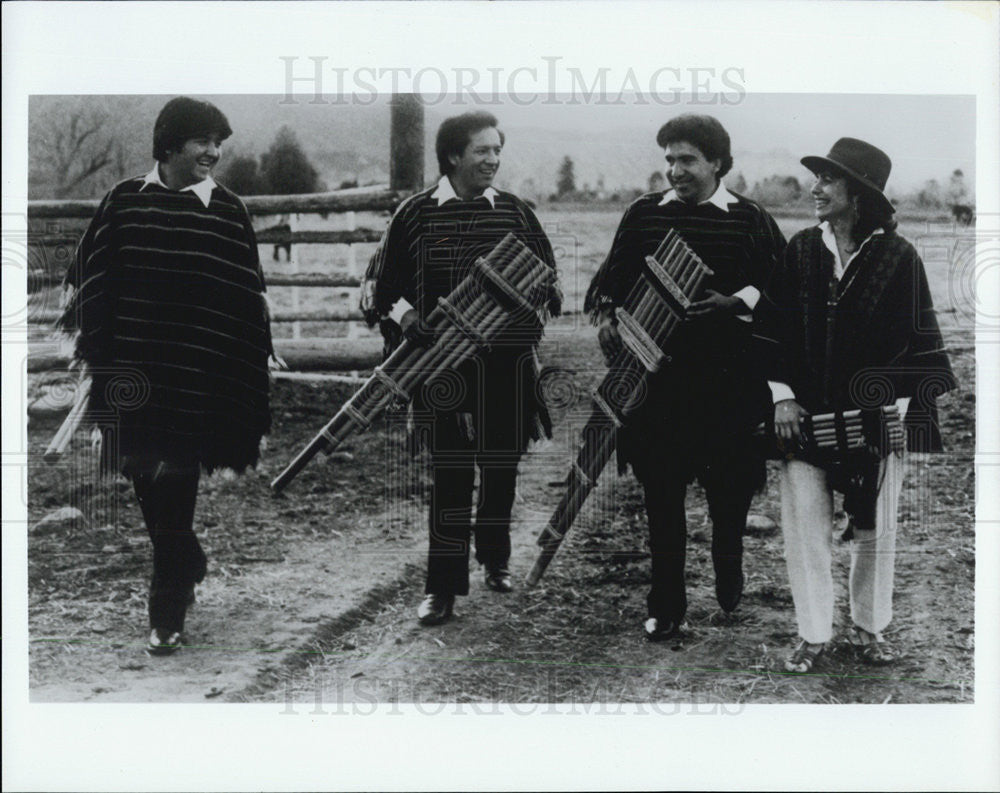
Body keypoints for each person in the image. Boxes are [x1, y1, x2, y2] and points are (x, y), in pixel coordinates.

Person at [57, 97, 273, 655]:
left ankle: (166, 611)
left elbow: (246, 297)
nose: (213, 152)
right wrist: (96, 349)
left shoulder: (227, 210)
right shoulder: (125, 200)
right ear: (170, 144)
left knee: (176, 483)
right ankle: (189, 559)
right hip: (131, 373)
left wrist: (244, 367)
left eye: (217, 141)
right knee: (143, 477)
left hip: (198, 376)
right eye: (202, 140)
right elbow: (92, 276)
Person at [753, 137, 956, 673]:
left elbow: (919, 342)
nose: (814, 188)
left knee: (877, 531)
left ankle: (870, 630)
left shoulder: (899, 257)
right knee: (804, 527)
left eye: (827, 180)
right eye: (817, 178)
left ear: (858, 193)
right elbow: (771, 331)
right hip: (804, 417)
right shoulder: (800, 251)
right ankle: (813, 635)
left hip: (879, 420)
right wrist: (783, 397)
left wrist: (896, 416)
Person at [585, 114, 785, 641]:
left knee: (729, 494)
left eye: (687, 159)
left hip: (729, 385)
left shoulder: (750, 220)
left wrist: (734, 302)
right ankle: (666, 603)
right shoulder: (644, 215)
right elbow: (614, 280)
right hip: (660, 387)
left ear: (718, 162)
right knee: (663, 495)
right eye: (669, 159)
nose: (675, 170)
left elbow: (783, 290)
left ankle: (728, 562)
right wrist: (608, 318)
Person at [361, 111, 561, 626]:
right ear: (453, 155)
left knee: (500, 467)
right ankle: (442, 588)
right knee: (450, 474)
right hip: (441, 368)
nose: (492, 160)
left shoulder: (515, 213)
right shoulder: (416, 213)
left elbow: (549, 280)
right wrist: (407, 319)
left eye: (497, 150)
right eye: (482, 151)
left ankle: (494, 558)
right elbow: (384, 288)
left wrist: (533, 299)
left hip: (507, 364)